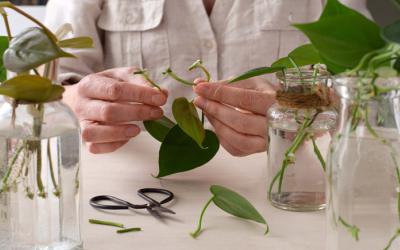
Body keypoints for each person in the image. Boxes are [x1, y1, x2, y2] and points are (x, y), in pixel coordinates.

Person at [45, 0, 369, 155]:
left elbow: (370, 86)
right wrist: (74, 101)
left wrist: (313, 110)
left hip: (287, 194)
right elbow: (37, 85)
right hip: (129, 202)